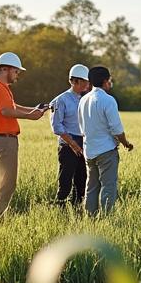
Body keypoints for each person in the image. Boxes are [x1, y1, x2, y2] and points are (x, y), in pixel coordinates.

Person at [0, 52, 46, 215]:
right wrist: (30, 116)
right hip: (5, 140)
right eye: (16, 71)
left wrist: (33, 109)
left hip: (3, 139)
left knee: (6, 180)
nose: (17, 75)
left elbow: (13, 106)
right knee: (8, 183)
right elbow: (6, 111)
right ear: (6, 69)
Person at [78, 65, 133, 216]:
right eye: (110, 80)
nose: (110, 82)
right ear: (105, 81)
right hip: (106, 150)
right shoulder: (108, 100)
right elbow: (116, 129)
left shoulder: (83, 100)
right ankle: (107, 218)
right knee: (108, 186)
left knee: (92, 186)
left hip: (89, 150)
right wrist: (126, 143)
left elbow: (81, 127)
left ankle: (90, 218)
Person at [50, 63, 92, 207]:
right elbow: (57, 126)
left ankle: (77, 209)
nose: (87, 85)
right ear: (75, 81)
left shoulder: (86, 99)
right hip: (68, 145)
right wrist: (73, 143)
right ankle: (59, 209)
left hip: (83, 143)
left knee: (82, 180)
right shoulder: (60, 100)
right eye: (85, 81)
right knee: (65, 180)